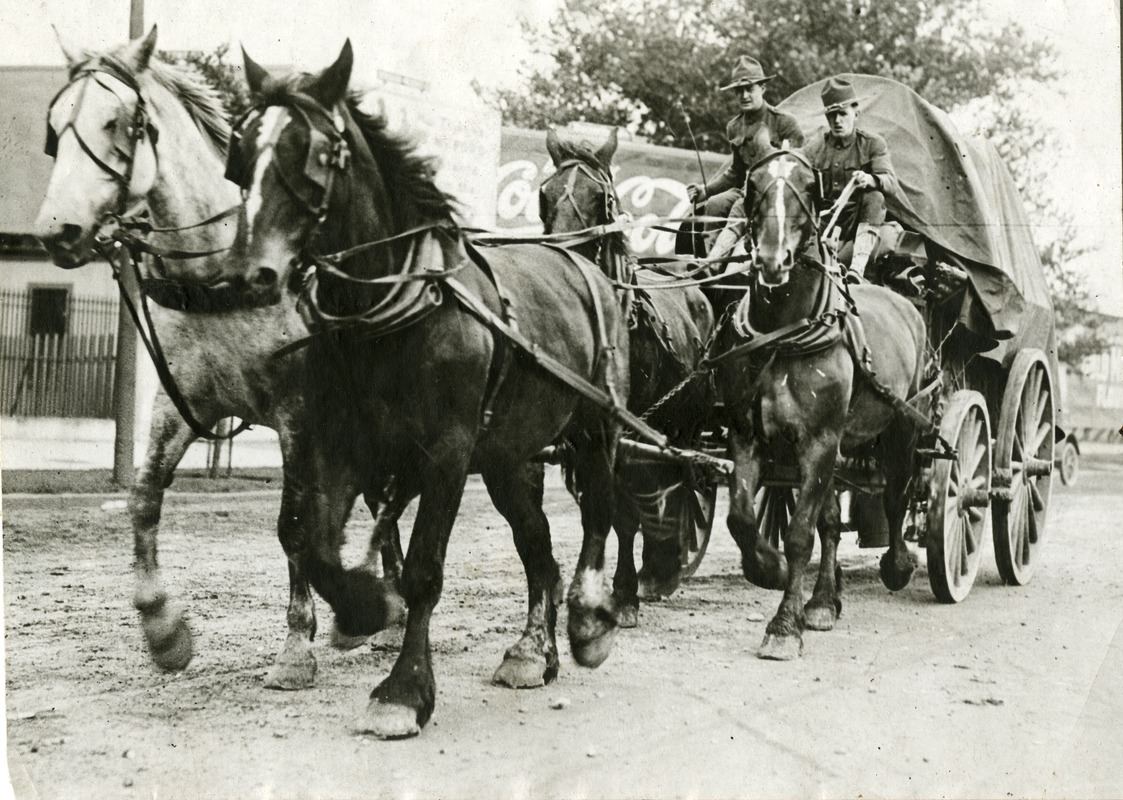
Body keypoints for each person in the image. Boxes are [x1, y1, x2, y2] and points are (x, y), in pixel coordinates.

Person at [686, 56, 804, 261]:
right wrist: (706, 190)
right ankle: (709, 267)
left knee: (738, 209)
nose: (744, 95)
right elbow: (735, 172)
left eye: (750, 89)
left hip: (774, 197)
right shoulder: (734, 126)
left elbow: (799, 171)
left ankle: (718, 264)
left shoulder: (784, 123)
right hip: (744, 193)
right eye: (739, 91)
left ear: (763, 89)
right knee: (714, 204)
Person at [803, 77, 899, 276]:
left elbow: (890, 183)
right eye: (831, 115)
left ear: (856, 113)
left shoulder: (873, 144)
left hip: (857, 222)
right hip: (823, 222)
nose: (837, 121)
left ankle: (857, 268)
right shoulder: (815, 147)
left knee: (875, 196)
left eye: (842, 114)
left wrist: (869, 179)